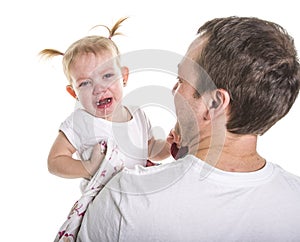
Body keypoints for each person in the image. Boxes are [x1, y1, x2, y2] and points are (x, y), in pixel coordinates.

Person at [77, 16, 300, 241]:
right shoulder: (295, 199)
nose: (174, 90)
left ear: (214, 103)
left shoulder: (127, 197)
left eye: (181, 79)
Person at [39, 17, 170, 240]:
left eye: (107, 76)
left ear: (124, 77)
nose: (98, 88)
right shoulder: (80, 122)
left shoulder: (137, 115)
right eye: (85, 83)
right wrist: (88, 167)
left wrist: (169, 145)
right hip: (102, 212)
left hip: (135, 207)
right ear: (73, 93)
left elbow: (150, 149)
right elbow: (54, 161)